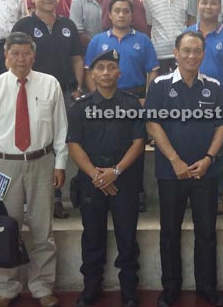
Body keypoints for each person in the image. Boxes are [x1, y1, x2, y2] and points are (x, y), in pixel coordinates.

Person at [0, 32, 68, 307]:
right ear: (5, 56)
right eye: (14, 53)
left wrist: (60, 163)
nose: (20, 58)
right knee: (7, 230)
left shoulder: (50, 84)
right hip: (3, 166)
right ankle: (7, 289)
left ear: (33, 55)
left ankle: (42, 288)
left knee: (42, 229)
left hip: (42, 163)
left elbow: (61, 128)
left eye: (26, 53)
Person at [146, 31, 223, 307]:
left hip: (205, 172)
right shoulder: (159, 85)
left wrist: (208, 158)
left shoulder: (214, 87)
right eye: (186, 50)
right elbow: (152, 124)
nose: (192, 56)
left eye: (197, 51)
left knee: (206, 233)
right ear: (176, 52)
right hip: (171, 172)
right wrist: (175, 160)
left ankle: (207, 287)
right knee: (169, 232)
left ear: (203, 54)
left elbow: (221, 126)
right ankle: (170, 288)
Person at [67, 49, 145, 307]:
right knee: (92, 237)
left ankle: (129, 292)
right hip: (92, 181)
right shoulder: (80, 107)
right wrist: (96, 175)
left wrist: (116, 172)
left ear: (119, 72)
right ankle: (91, 288)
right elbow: (74, 145)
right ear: (92, 73)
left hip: (124, 179)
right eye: (100, 68)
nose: (106, 73)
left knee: (126, 238)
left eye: (111, 67)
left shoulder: (132, 104)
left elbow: (138, 142)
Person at [12, 0, 85, 218]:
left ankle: (56, 196)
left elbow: (76, 58)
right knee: (40, 142)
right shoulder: (24, 26)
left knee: (62, 141)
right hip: (34, 93)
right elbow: (14, 58)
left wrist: (79, 87)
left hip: (66, 91)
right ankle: (40, 198)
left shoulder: (68, 26)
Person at [86, 0, 159, 212]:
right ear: (109, 14)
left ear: (131, 14)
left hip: (135, 100)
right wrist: (95, 98)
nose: (121, 15)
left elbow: (152, 70)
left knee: (135, 145)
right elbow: (90, 71)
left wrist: (148, 98)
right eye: (116, 11)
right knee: (107, 145)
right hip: (103, 100)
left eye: (126, 11)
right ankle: (103, 188)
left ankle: (136, 192)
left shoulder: (143, 40)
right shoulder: (97, 41)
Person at [185, 0, 223, 215]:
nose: (208, 7)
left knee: (218, 150)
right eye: (204, 2)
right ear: (197, 6)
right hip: (190, 99)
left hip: (220, 100)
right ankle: (190, 191)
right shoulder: (188, 32)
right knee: (193, 144)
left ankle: (219, 195)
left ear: (220, 8)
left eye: (213, 3)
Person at [144, 0, 189, 74]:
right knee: (161, 89)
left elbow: (189, 23)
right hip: (159, 54)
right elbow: (149, 26)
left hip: (181, 53)